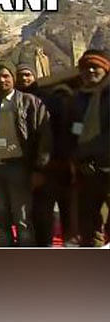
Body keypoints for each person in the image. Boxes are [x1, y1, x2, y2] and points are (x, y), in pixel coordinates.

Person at [0, 58, 51, 247]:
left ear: (13, 78)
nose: (1, 80)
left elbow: (44, 138)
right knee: (0, 219)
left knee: (23, 219)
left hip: (19, 168)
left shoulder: (31, 102)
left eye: (5, 76)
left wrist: (39, 168)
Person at [17, 63, 78, 246]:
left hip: (59, 166)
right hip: (41, 168)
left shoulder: (49, 100)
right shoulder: (15, 101)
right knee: (42, 216)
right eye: (20, 75)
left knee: (67, 213)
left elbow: (59, 134)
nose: (24, 79)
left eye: (28, 74)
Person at [69, 50, 110, 247]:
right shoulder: (77, 99)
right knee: (88, 221)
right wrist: (79, 160)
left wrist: (93, 155)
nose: (91, 71)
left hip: (106, 166)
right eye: (86, 68)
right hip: (86, 171)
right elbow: (71, 132)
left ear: (106, 68)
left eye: (95, 66)